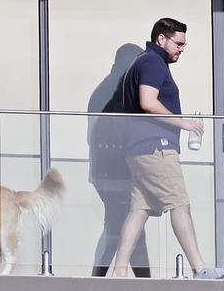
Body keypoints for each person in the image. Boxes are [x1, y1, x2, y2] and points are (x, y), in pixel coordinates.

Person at [110, 18, 224, 279]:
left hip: (138, 150)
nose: (181, 49)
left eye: (183, 45)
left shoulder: (142, 62)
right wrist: (184, 123)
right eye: (178, 43)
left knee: (139, 210)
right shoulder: (153, 62)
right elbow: (148, 101)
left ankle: (119, 271)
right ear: (161, 39)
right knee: (179, 204)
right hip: (156, 148)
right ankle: (200, 269)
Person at [87, 44, 150, 277]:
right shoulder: (117, 89)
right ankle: (103, 279)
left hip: (108, 173)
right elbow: (118, 128)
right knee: (119, 231)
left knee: (123, 229)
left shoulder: (105, 88)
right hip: (117, 174)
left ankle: (105, 278)